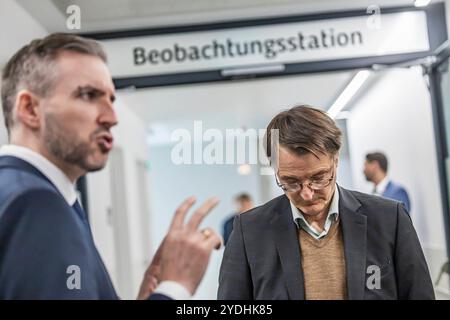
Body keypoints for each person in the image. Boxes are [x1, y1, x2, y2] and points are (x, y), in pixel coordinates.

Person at [0, 33, 221, 300]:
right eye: (89, 95)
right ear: (30, 109)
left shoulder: (21, 191)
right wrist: (175, 286)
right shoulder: (36, 203)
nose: (111, 118)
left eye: (110, 99)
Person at [218, 105, 434, 300]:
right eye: (290, 182)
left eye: (319, 178)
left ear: (335, 160)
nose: (307, 194)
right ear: (275, 171)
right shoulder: (249, 232)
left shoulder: (390, 219)